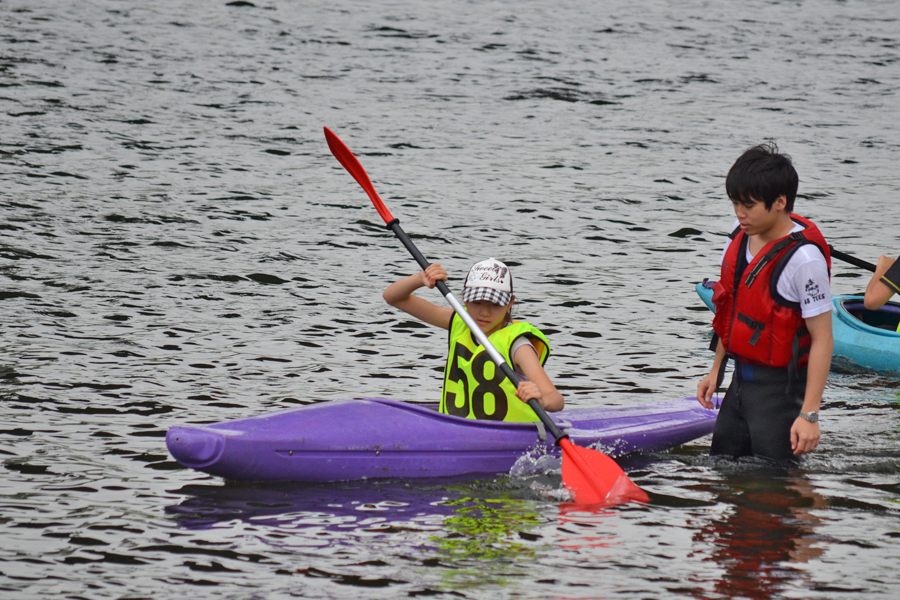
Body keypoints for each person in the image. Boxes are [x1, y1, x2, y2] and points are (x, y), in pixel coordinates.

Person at [697, 143, 834, 461]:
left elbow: (823, 339)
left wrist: (810, 415)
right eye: (734, 203)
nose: (739, 214)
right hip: (739, 384)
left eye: (748, 205)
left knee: (776, 488)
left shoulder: (804, 260)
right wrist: (716, 370)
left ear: (780, 202)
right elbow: (731, 310)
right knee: (721, 472)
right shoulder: (739, 233)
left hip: (780, 393)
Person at [383, 258, 563, 421]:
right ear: (465, 300)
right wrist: (420, 278)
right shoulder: (457, 320)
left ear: (510, 303)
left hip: (512, 437)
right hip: (459, 430)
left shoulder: (518, 345)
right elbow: (392, 297)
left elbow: (556, 400)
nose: (485, 313)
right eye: (477, 302)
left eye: (495, 304)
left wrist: (542, 400)